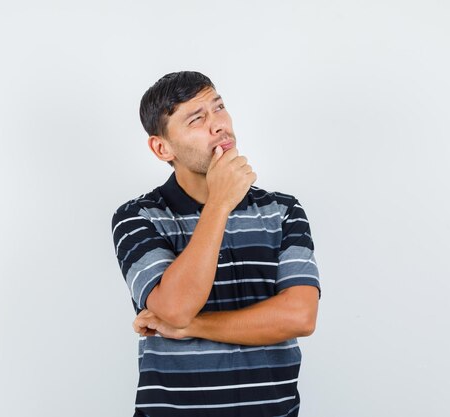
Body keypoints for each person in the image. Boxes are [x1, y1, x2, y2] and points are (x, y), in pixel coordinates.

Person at [111, 71, 321, 417]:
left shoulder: (282, 210)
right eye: (197, 118)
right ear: (162, 147)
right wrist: (220, 203)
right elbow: (176, 307)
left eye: (219, 107)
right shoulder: (138, 217)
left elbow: (300, 316)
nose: (219, 124)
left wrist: (193, 326)